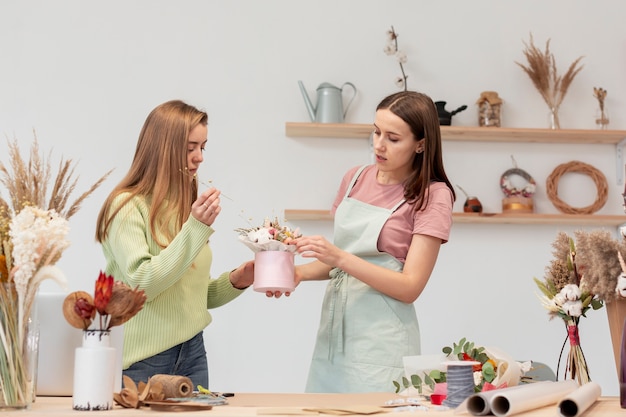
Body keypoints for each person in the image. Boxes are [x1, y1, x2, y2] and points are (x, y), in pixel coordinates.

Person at [273, 91, 455, 393]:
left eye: (393, 138)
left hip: (382, 341)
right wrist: (300, 273)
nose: (379, 145)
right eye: (376, 131)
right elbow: (339, 261)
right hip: (335, 334)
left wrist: (337, 257)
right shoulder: (355, 177)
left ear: (421, 144)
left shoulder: (433, 195)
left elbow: (410, 287)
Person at [95, 100, 254, 388]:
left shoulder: (184, 208)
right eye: (190, 147)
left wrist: (238, 280)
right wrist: (196, 227)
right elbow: (143, 284)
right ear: (164, 147)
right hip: (144, 361)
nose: (200, 157)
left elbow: (190, 295)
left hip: (193, 354)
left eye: (203, 147)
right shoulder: (126, 206)